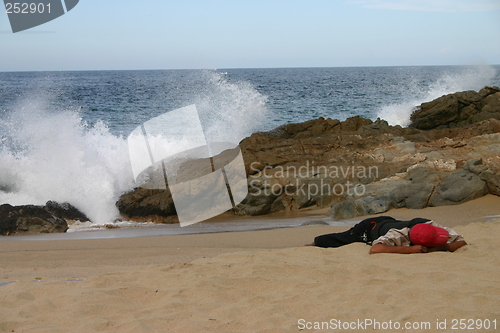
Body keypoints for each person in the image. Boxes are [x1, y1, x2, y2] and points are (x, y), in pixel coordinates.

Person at [304, 216, 467, 254]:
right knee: (344, 237)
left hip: (391, 221)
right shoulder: (397, 235)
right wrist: (411, 250)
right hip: (369, 228)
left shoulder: (430, 225)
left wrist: (441, 247)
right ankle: (313, 243)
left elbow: (462, 241)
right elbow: (375, 250)